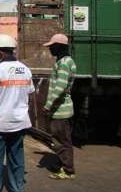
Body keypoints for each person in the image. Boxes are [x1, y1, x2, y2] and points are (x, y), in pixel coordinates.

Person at [0, 34, 35, 192]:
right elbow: (30, 96)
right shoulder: (25, 70)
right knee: (16, 157)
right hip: (19, 123)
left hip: (0, 123)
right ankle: (16, 187)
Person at [43, 33, 77, 180]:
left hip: (60, 110)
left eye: (52, 46)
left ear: (60, 47)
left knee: (61, 141)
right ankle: (62, 165)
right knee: (62, 140)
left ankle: (68, 171)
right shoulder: (64, 61)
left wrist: (48, 105)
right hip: (62, 109)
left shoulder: (64, 63)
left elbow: (60, 87)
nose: (50, 49)